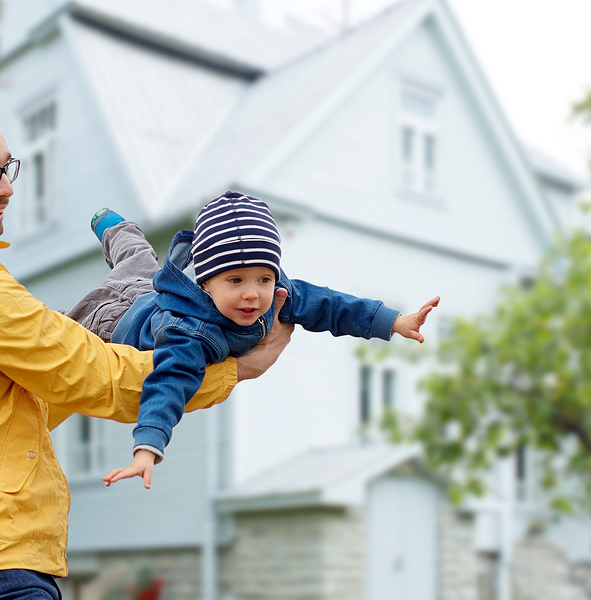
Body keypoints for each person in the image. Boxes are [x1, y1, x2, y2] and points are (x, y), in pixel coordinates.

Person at [0, 94, 293, 599]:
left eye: (7, 168)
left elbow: (22, 401)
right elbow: (93, 375)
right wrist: (235, 370)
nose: (6, 188)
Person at [62, 192, 439, 489]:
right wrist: (148, 447)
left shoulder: (278, 293)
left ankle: (112, 224)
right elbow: (169, 383)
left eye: (262, 278)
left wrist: (393, 322)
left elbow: (331, 305)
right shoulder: (191, 332)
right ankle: (110, 223)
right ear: (206, 283)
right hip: (114, 319)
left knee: (139, 260)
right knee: (95, 298)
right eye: (236, 281)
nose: (253, 296)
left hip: (152, 291)